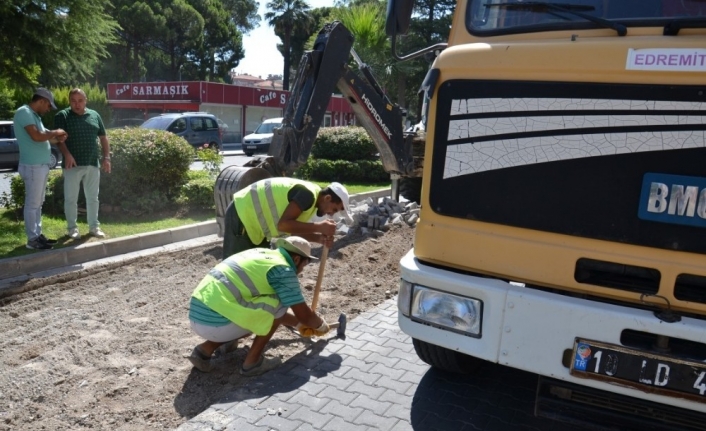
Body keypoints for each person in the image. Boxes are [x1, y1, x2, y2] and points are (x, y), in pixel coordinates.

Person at [187, 236, 331, 375]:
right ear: (296, 259)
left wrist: (298, 324)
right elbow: (303, 314)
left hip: (198, 313)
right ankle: (252, 363)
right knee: (279, 300)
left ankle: (204, 350)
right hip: (216, 321)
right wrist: (320, 326)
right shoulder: (283, 269)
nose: (301, 271)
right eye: (303, 266)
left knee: (261, 306)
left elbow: (278, 314)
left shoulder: (262, 255)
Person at [222, 177, 352, 259]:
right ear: (327, 198)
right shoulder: (307, 195)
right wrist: (319, 227)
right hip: (243, 213)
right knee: (235, 269)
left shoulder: (311, 202)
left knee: (257, 268)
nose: (331, 214)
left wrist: (318, 238)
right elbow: (283, 225)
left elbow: (292, 230)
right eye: (334, 209)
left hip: (253, 223)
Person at [13, 88, 67, 250]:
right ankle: (32, 240)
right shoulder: (24, 112)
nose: (48, 109)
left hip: (39, 166)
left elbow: (42, 138)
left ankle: (37, 235)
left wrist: (56, 139)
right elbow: (36, 136)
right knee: (32, 204)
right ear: (42, 100)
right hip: (33, 166)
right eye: (49, 106)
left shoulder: (35, 116)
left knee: (38, 203)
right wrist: (55, 132)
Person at [54, 88, 111, 239]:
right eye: (73, 101)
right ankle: (72, 229)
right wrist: (67, 155)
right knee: (71, 199)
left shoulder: (94, 115)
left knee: (93, 198)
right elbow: (59, 139)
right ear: (69, 102)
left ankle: (94, 227)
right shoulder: (63, 116)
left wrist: (106, 158)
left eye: (80, 101)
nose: (77, 104)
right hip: (71, 165)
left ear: (85, 101)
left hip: (92, 162)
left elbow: (103, 138)